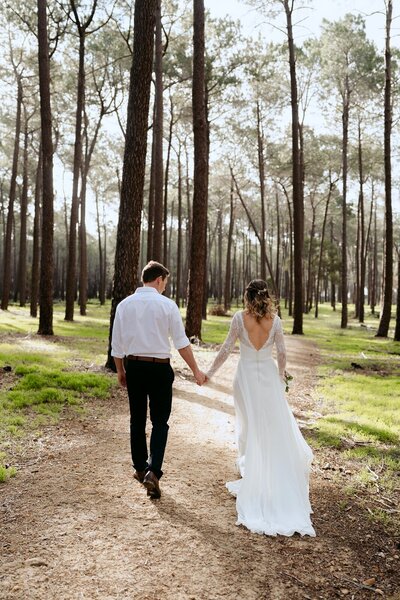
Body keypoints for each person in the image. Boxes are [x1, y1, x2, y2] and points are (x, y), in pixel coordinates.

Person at [206, 279, 315, 537]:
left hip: (244, 377)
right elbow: (283, 353)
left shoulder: (238, 319)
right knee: (270, 427)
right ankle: (266, 475)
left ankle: (254, 475)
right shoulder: (275, 321)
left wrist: (209, 373)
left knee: (248, 426)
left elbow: (225, 349)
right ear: (267, 296)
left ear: (247, 296)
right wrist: (281, 377)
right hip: (267, 377)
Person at [112, 260, 206, 499]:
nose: (165, 287)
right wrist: (195, 370)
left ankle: (140, 467)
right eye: (165, 282)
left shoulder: (124, 305)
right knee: (160, 421)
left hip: (134, 366)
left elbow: (116, 345)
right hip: (159, 369)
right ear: (158, 280)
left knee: (137, 419)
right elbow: (181, 342)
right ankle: (153, 472)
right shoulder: (167, 305)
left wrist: (121, 370)